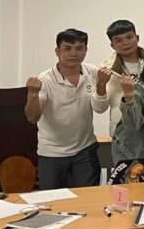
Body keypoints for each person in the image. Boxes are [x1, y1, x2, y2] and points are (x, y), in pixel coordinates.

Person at [25, 28, 110, 189]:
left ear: (86, 50)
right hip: (52, 152)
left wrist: (101, 85)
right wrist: (33, 94)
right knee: (52, 200)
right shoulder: (45, 79)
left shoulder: (92, 72)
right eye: (68, 48)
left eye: (79, 48)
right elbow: (32, 118)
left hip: (85, 149)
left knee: (90, 197)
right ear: (58, 51)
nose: (74, 53)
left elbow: (100, 109)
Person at [100, 19, 144, 136]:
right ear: (112, 45)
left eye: (129, 37)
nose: (126, 43)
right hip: (121, 130)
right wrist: (101, 84)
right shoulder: (106, 69)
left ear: (137, 38)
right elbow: (100, 108)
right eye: (118, 40)